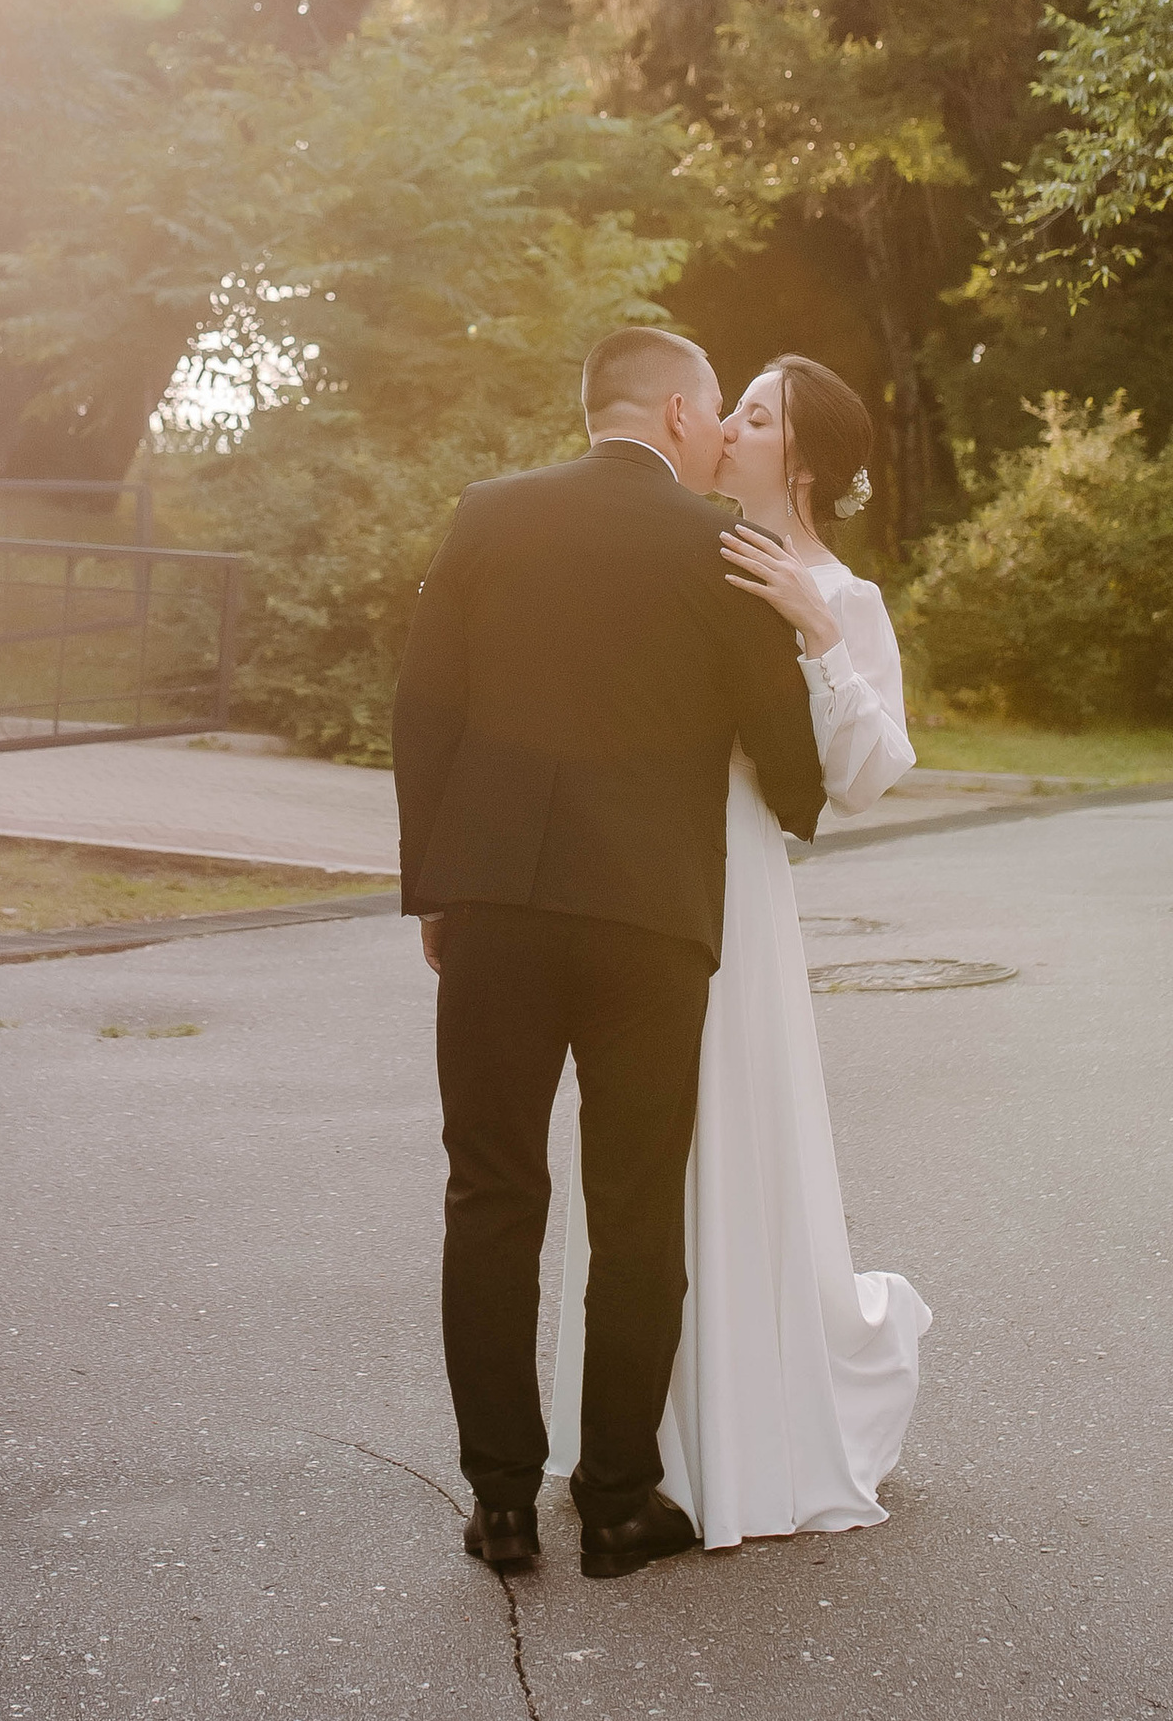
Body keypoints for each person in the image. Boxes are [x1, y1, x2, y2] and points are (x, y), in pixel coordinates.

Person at [392, 328, 824, 1583]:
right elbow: (786, 757)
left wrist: (437, 888)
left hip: (494, 909)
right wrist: (800, 744)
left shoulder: (489, 515)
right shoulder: (720, 546)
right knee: (636, 1210)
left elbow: (427, 705)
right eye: (714, 413)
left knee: (490, 1194)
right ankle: (620, 1502)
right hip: (650, 920)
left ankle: (502, 1505)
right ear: (684, 414)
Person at [545, 354, 929, 1543]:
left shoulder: (844, 598)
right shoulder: (686, 552)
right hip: (632, 873)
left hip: (739, 884)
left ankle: (749, 1433)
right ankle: (633, 1436)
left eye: (753, 415)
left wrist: (814, 626)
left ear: (799, 461)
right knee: (634, 1153)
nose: (725, 427)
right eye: (732, 408)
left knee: (732, 1134)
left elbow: (866, 777)